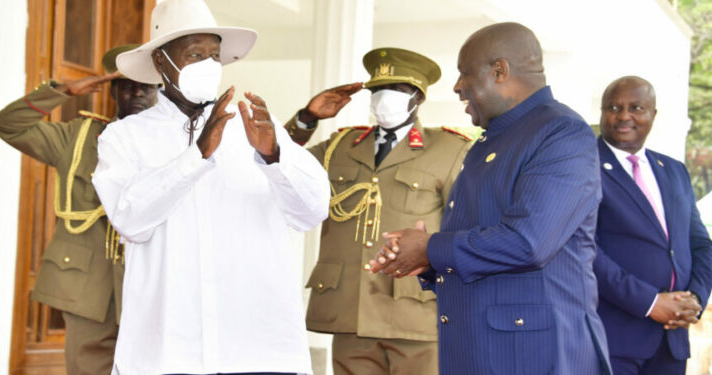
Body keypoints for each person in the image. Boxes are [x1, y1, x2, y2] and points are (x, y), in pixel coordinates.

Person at [91, 0, 329, 374]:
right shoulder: (125, 137)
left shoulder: (257, 129)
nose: (207, 65)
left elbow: (312, 211)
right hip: (167, 352)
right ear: (160, 63)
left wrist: (274, 156)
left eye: (214, 55)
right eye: (194, 54)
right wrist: (196, 157)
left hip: (257, 347)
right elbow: (131, 220)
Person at [369, 22, 613, 375]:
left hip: (534, 354)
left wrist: (430, 248)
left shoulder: (560, 132)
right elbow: (483, 242)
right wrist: (428, 260)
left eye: (464, 73)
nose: (456, 87)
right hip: (482, 348)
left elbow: (528, 242)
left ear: (500, 70)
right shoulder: (491, 140)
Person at [284, 47, 472, 375]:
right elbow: (281, 161)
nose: (384, 98)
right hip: (349, 314)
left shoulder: (449, 149)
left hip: (415, 315)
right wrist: (307, 118)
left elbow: (466, 230)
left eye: (396, 91)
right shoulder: (340, 146)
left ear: (418, 97)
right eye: (377, 90)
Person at [0, 45, 158, 375]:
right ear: (112, 90)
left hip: (151, 285)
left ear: (158, 92)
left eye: (145, 85)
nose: (136, 91)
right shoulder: (78, 138)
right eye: (126, 84)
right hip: (88, 288)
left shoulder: (179, 145)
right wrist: (62, 91)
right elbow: (8, 126)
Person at [592, 76, 712, 375]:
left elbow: (699, 244)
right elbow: (584, 248)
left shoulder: (673, 171)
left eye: (636, 107)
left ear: (653, 114)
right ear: (601, 112)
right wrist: (649, 303)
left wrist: (694, 299)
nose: (624, 116)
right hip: (614, 339)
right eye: (613, 107)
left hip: (671, 340)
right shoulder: (584, 166)